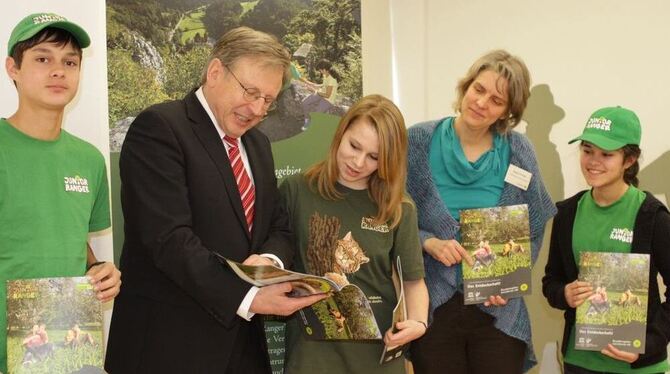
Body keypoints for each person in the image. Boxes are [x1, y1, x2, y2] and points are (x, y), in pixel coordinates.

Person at [104, 27, 326, 374]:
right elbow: (168, 239)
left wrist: (264, 263)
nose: (256, 109)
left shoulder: (258, 146)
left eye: (267, 100)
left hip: (243, 349)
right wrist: (251, 297)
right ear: (215, 71)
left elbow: (279, 227)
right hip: (170, 348)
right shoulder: (160, 128)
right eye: (251, 92)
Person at [406, 50, 556, 373]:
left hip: (497, 313)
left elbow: (535, 224)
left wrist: (511, 277)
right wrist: (427, 241)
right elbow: (391, 218)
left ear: (507, 112)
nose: (482, 103)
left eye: (497, 100)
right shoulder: (416, 141)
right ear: (466, 86)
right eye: (479, 89)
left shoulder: (519, 151)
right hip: (432, 305)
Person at [0, 12, 121, 373]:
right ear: (13, 69)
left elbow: (71, 239)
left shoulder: (89, 160)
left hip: (62, 356)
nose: (58, 70)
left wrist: (99, 269)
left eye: (70, 62)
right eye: (42, 58)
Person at [280, 94, 429, 373]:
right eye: (354, 146)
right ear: (341, 132)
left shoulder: (399, 207)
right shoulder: (296, 190)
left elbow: (413, 281)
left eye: (374, 157)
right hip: (313, 355)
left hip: (377, 355)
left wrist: (418, 323)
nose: (358, 163)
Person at [542, 106, 670, 373]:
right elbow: (551, 281)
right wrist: (564, 293)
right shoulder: (567, 213)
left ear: (629, 159)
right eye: (587, 150)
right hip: (579, 363)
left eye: (606, 154)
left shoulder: (652, 217)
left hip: (639, 367)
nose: (593, 161)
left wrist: (649, 343)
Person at [301, 59, 341, 129]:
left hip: (328, 99)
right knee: (304, 102)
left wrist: (314, 90)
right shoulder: (326, 74)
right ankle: (307, 120)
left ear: (325, 69)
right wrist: (314, 85)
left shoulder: (332, 79)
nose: (320, 71)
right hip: (321, 93)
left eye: (320, 70)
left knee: (316, 113)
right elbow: (324, 84)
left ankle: (311, 126)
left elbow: (327, 95)